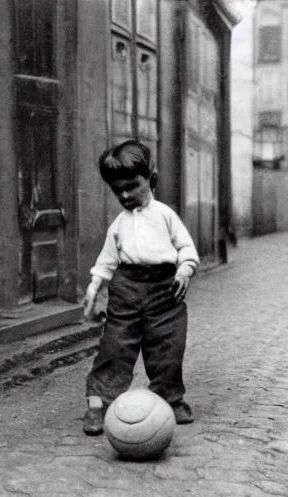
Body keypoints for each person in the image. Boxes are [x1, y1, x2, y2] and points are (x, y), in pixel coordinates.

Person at [82, 139, 200, 435]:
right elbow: (107, 260)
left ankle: (169, 398)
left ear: (151, 180)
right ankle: (98, 403)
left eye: (132, 186)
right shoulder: (119, 225)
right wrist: (95, 285)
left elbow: (186, 247)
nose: (125, 194)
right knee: (116, 346)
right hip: (127, 289)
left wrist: (185, 270)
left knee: (168, 345)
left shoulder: (165, 215)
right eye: (117, 190)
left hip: (165, 290)